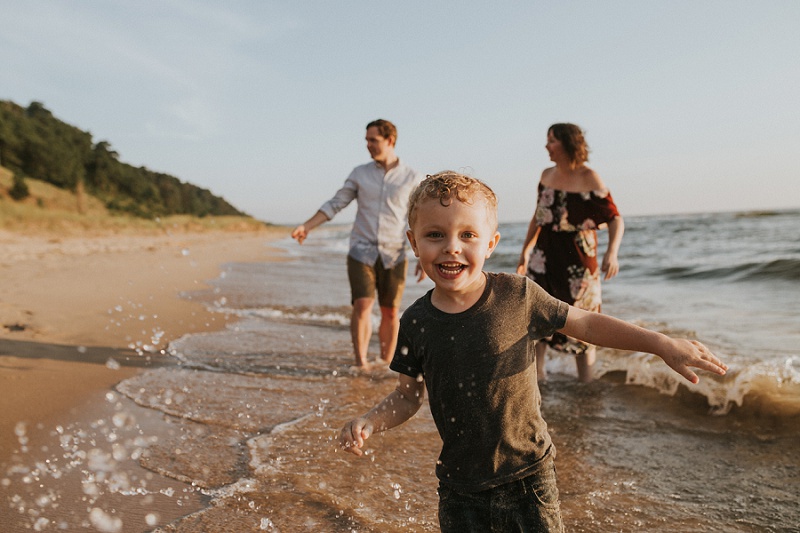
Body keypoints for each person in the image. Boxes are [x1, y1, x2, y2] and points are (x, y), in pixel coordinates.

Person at [339, 172, 727, 532]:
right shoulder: (416, 322)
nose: (451, 248)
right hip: (459, 488)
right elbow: (408, 396)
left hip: (529, 478)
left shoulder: (518, 296)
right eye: (435, 235)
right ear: (413, 241)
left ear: (491, 243)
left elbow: (587, 323)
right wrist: (370, 421)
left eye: (468, 235)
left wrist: (659, 343)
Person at [292, 119, 423, 369]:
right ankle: (360, 363)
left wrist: (422, 257)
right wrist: (307, 226)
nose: (368, 145)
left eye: (373, 140)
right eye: (366, 140)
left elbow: (418, 219)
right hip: (360, 251)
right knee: (363, 304)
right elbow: (336, 203)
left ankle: (386, 362)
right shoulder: (359, 174)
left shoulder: (411, 177)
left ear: (390, 141)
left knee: (390, 311)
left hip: (394, 253)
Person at [517, 123, 625, 382]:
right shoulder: (546, 175)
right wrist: (525, 251)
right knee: (538, 317)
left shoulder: (589, 177)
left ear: (568, 144)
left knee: (584, 320)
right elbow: (538, 217)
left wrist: (612, 252)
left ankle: (586, 384)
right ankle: (538, 379)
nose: (546, 146)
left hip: (579, 259)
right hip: (544, 257)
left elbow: (615, 218)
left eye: (552, 141)